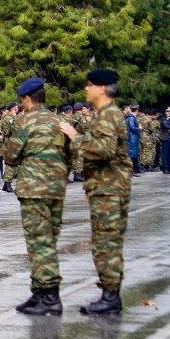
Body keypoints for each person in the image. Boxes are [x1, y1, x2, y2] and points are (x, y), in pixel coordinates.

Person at [59, 68, 133, 315]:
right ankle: (110, 294)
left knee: (106, 243)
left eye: (90, 85)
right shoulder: (105, 114)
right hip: (106, 187)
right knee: (106, 241)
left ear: (101, 88)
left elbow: (104, 150)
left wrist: (75, 137)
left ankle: (111, 297)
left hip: (110, 189)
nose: (86, 89)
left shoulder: (109, 115)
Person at [2, 78, 68, 315]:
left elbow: (10, 155)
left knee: (39, 242)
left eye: (22, 101)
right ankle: (39, 292)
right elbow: (70, 154)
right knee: (48, 240)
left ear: (28, 99)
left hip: (34, 189)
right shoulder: (58, 121)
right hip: (57, 188)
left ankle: (50, 296)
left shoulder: (25, 121)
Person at [124, 104, 141, 175]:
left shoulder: (131, 117)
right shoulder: (131, 118)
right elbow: (132, 128)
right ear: (137, 110)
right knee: (132, 155)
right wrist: (139, 128)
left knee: (133, 154)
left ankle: (134, 169)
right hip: (132, 138)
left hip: (132, 138)